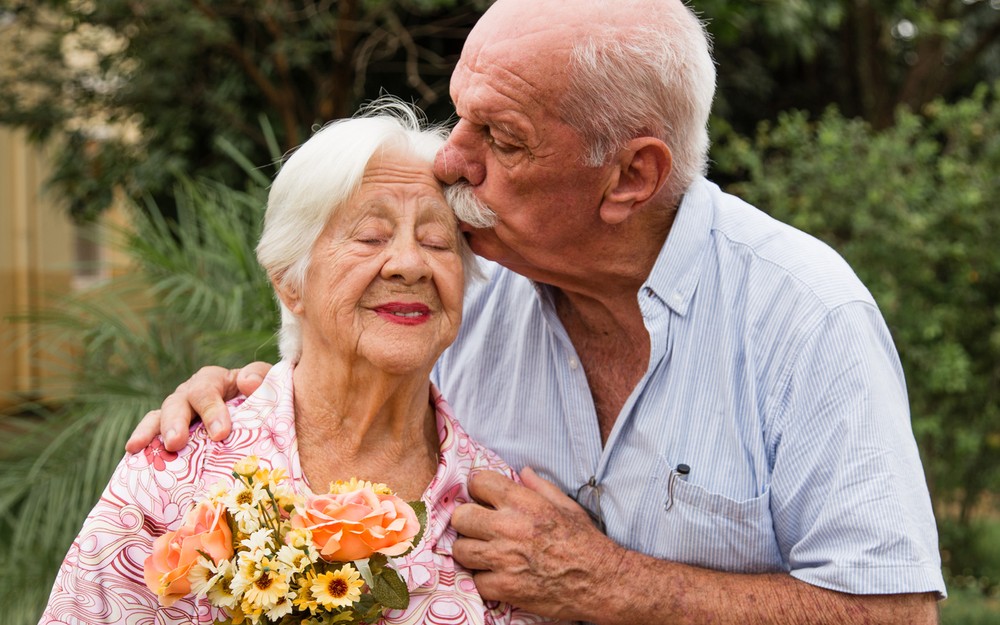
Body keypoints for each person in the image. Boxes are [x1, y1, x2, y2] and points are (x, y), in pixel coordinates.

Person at [126, 0, 947, 623]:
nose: (451, 159)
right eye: (460, 114)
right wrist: (236, 400)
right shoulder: (466, 287)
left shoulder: (804, 315)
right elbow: (343, 401)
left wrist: (610, 582)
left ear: (630, 177)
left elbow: (897, 612)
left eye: (502, 138)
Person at [40, 102, 564, 624]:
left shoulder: (501, 519)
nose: (410, 264)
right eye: (370, 237)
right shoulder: (180, 471)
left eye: (436, 241)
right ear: (290, 280)